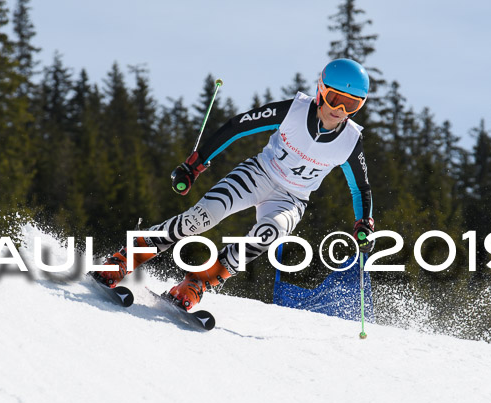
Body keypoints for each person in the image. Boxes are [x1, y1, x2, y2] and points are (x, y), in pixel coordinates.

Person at [93, 58, 375, 311]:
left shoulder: (350, 141)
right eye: (335, 98)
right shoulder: (293, 111)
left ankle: (196, 284)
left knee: (265, 236)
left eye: (351, 104)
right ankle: (125, 258)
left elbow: (360, 188)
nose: (339, 109)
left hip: (292, 200)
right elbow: (238, 126)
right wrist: (196, 164)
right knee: (200, 219)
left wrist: (363, 223)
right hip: (259, 174)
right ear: (321, 91)